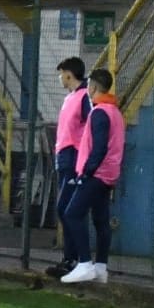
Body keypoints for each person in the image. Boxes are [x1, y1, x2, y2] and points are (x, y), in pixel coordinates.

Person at [60, 68, 124, 285]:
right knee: (100, 220)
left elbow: (98, 148)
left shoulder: (100, 112)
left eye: (89, 86)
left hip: (97, 174)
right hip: (109, 175)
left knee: (72, 214)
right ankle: (101, 268)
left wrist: (85, 173)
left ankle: (85, 263)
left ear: (93, 87)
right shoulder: (115, 111)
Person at [48, 57, 92, 280]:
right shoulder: (70, 97)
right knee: (65, 210)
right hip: (65, 157)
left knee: (67, 209)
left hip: (75, 159)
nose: (60, 77)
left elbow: (90, 126)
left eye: (62, 72)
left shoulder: (85, 97)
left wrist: (82, 161)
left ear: (69, 74)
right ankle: (71, 259)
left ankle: (76, 259)